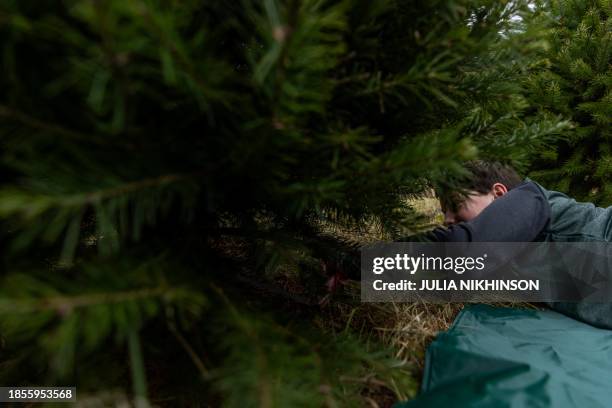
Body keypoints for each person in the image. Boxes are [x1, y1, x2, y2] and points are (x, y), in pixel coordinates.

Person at [429, 160, 612, 243]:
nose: (447, 220)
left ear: (499, 194)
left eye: (455, 205)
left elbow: (458, 246)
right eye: (445, 211)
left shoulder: (527, 198)